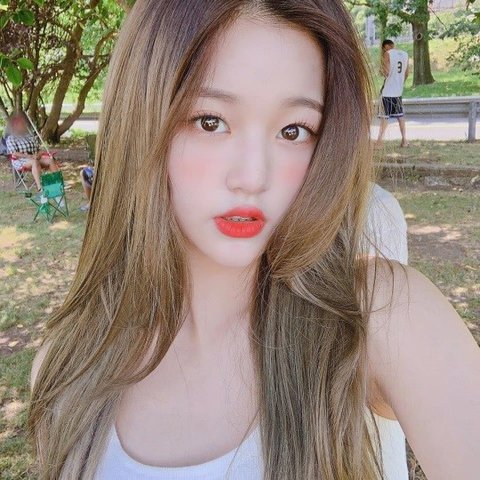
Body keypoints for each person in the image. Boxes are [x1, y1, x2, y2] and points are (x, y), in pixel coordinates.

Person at [29, 2, 479, 479]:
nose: (253, 176)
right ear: (140, 120)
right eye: (210, 121)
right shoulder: (65, 368)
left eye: (293, 130)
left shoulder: (380, 316)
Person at [5, 111, 59, 191]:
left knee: (50, 160)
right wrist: (30, 156)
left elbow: (38, 150)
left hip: (34, 157)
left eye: (23, 125)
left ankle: (58, 183)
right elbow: (14, 153)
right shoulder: (11, 138)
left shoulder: (29, 136)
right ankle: (40, 188)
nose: (23, 126)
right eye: (20, 125)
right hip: (20, 160)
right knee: (34, 162)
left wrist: (38, 155)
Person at [376, 39, 409, 148]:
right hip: (398, 92)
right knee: (400, 117)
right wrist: (399, 83)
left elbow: (386, 72)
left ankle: (379, 142)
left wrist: (381, 70)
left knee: (384, 117)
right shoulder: (405, 54)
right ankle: (404, 140)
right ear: (393, 45)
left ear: (385, 47)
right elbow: (406, 73)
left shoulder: (387, 54)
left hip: (388, 92)